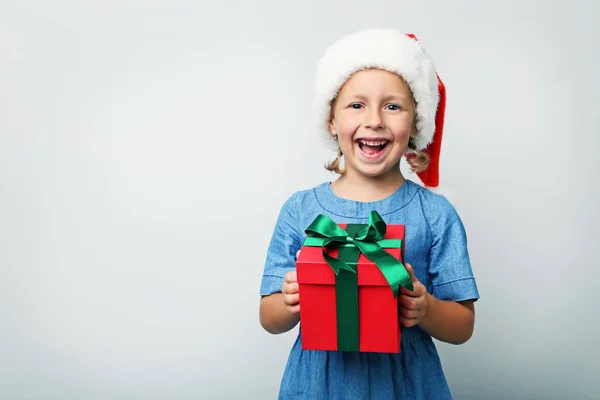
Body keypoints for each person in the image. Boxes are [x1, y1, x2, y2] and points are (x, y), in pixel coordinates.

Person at [258, 28, 480, 399]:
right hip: (319, 385)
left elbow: (463, 326)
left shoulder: (435, 213)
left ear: (416, 125)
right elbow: (269, 317)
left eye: (392, 106)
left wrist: (424, 309)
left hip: (405, 384)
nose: (375, 120)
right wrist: (290, 300)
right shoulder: (300, 210)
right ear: (332, 120)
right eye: (356, 105)